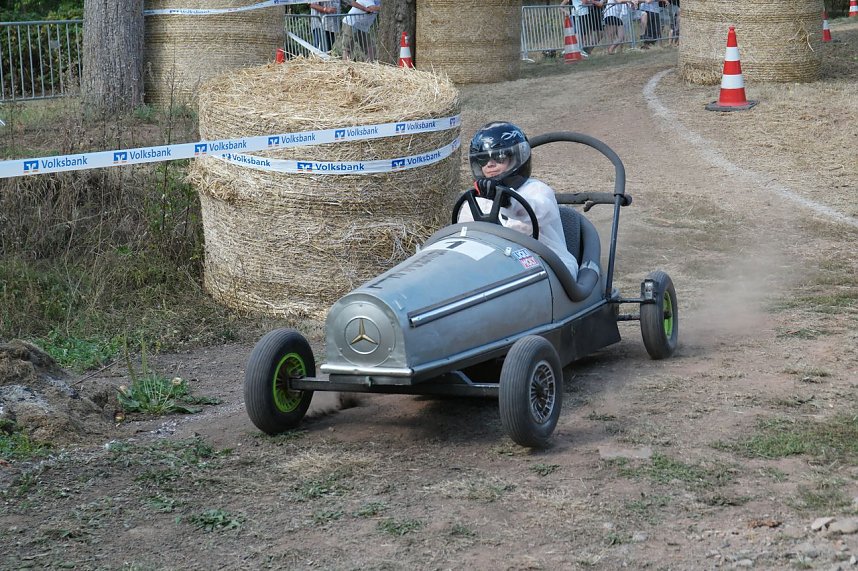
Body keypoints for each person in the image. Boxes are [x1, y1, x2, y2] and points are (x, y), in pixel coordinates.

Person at [457, 122, 579, 280]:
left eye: (499, 156)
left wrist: (506, 199)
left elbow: (537, 212)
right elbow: (463, 237)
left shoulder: (537, 190)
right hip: (493, 266)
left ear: (516, 158)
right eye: (482, 160)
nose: (490, 164)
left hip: (551, 266)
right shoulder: (475, 201)